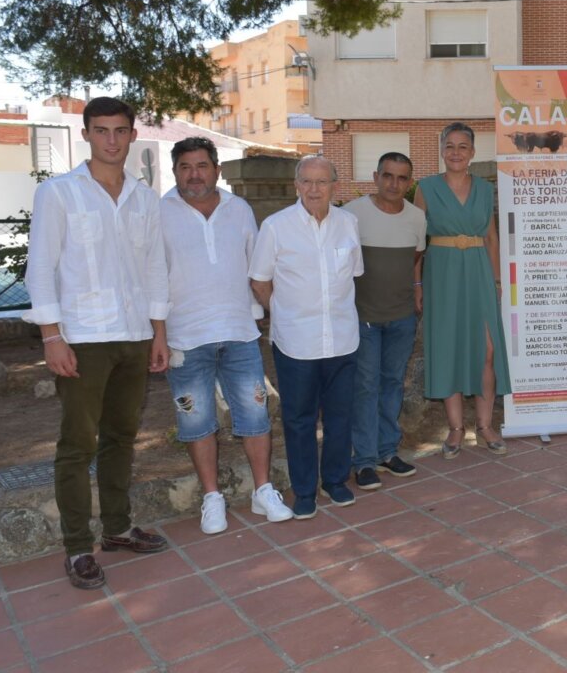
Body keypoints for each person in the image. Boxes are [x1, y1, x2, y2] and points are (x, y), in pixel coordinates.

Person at [23, 97, 170, 589]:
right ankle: (76, 548)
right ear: (85, 134)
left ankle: (118, 528)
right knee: (76, 445)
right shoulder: (59, 193)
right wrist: (51, 336)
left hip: (134, 335)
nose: (111, 139)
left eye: (120, 130)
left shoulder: (145, 198)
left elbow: (154, 268)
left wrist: (158, 332)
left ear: (132, 135)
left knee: (121, 438)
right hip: (82, 338)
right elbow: (40, 267)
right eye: (101, 130)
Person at [160, 137, 293, 534]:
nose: (194, 174)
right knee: (196, 421)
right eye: (185, 167)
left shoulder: (239, 209)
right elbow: (150, 277)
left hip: (239, 332)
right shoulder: (159, 213)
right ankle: (212, 497)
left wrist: (267, 314)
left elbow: (257, 267)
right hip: (184, 338)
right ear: (175, 171)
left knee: (255, 414)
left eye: (202, 166)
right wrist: (158, 334)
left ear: (217, 170)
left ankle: (263, 491)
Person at [249, 156, 362, 518]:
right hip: (296, 343)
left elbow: (353, 275)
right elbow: (259, 281)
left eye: (322, 182)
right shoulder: (275, 226)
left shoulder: (349, 223)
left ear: (335, 187)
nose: (314, 189)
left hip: (342, 339)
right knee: (299, 419)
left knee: (340, 416)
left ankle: (335, 481)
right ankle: (304, 490)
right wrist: (283, 313)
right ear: (296, 186)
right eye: (307, 182)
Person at [415, 122, 510, 457]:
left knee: (487, 349)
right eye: (450, 146)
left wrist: (496, 281)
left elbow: (492, 238)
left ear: (472, 152)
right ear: (442, 150)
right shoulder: (426, 187)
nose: (456, 152)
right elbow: (416, 241)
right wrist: (417, 282)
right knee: (448, 347)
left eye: (463, 146)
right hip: (441, 272)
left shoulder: (485, 189)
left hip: (479, 270)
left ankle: (485, 425)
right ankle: (456, 428)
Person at [343, 152, 426, 489]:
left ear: (410, 182)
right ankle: (363, 460)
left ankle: (386, 451)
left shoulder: (417, 218)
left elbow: (415, 259)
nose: (394, 183)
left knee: (392, 383)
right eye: (388, 176)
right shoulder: (351, 214)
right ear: (376, 177)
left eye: (402, 178)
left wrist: (416, 291)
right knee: (365, 387)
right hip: (363, 318)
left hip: (402, 317)